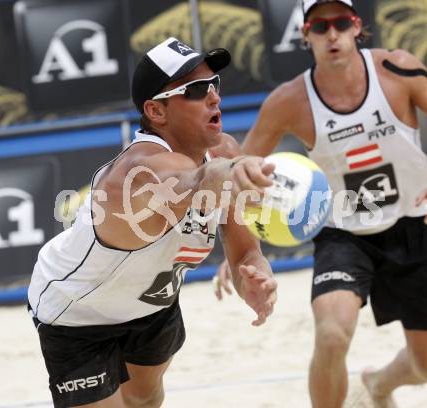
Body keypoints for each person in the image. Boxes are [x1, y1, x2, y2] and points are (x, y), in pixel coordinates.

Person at [27, 37, 278, 408]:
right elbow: (193, 180)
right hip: (76, 313)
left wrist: (254, 277)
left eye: (215, 85)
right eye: (195, 89)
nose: (213, 97)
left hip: (153, 306)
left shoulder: (224, 150)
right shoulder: (138, 170)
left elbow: (244, 251)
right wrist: (235, 170)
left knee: (144, 398)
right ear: (156, 112)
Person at [213, 1, 427, 407]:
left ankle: (380, 384)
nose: (331, 34)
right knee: (332, 336)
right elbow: (240, 178)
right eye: (320, 26)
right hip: (345, 234)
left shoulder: (397, 69)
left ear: (357, 27)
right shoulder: (288, 100)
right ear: (305, 35)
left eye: (339, 23)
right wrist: (238, 251)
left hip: (417, 224)